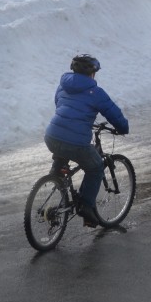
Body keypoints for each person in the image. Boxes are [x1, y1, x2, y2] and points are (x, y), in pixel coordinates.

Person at [44, 54, 129, 227]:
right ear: (92, 73)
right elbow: (113, 113)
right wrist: (122, 128)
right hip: (75, 142)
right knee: (96, 166)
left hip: (51, 136)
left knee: (63, 150)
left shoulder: (62, 86)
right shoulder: (96, 93)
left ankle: (57, 174)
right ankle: (86, 207)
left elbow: (60, 105)